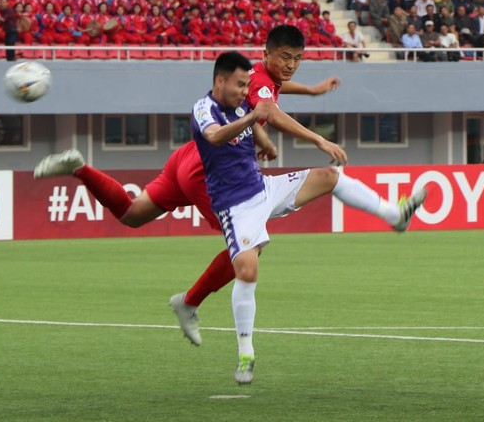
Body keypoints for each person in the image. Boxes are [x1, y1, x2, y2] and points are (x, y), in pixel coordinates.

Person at [34, 25, 345, 347]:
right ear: (268, 54)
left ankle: (80, 168)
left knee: (131, 213)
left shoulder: (256, 73)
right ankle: (189, 302)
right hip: (210, 172)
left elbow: (275, 89)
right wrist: (319, 139)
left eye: (297, 59)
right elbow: (273, 112)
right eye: (286, 58)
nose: (292, 64)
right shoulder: (262, 85)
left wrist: (312, 91)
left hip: (188, 158)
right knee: (249, 247)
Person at [189, 48, 427, 385]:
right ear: (220, 80)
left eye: (247, 86)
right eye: (240, 85)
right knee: (247, 269)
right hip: (234, 205)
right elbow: (215, 136)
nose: (245, 91)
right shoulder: (204, 108)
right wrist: (254, 119)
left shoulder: (244, 100)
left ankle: (394, 214)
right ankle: (246, 353)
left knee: (330, 177)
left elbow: (258, 114)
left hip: (264, 188)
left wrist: (265, 141)